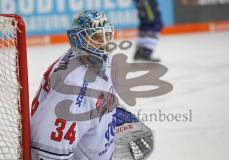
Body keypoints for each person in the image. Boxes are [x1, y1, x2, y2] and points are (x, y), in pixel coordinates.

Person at [31, 10, 153, 160]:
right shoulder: (72, 90)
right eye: (95, 36)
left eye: (106, 35)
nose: (103, 44)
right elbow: (50, 153)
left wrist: (112, 111)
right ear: (76, 39)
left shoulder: (93, 57)